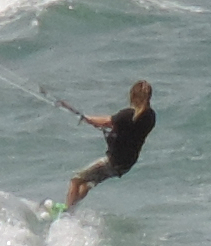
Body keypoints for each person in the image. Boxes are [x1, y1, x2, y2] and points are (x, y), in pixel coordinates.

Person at [61, 81, 156, 213]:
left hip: (112, 162)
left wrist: (85, 118)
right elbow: (121, 128)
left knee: (75, 180)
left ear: (133, 96)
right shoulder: (151, 117)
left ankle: (66, 213)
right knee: (86, 184)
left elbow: (105, 121)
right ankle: (71, 208)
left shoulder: (127, 115)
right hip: (126, 165)